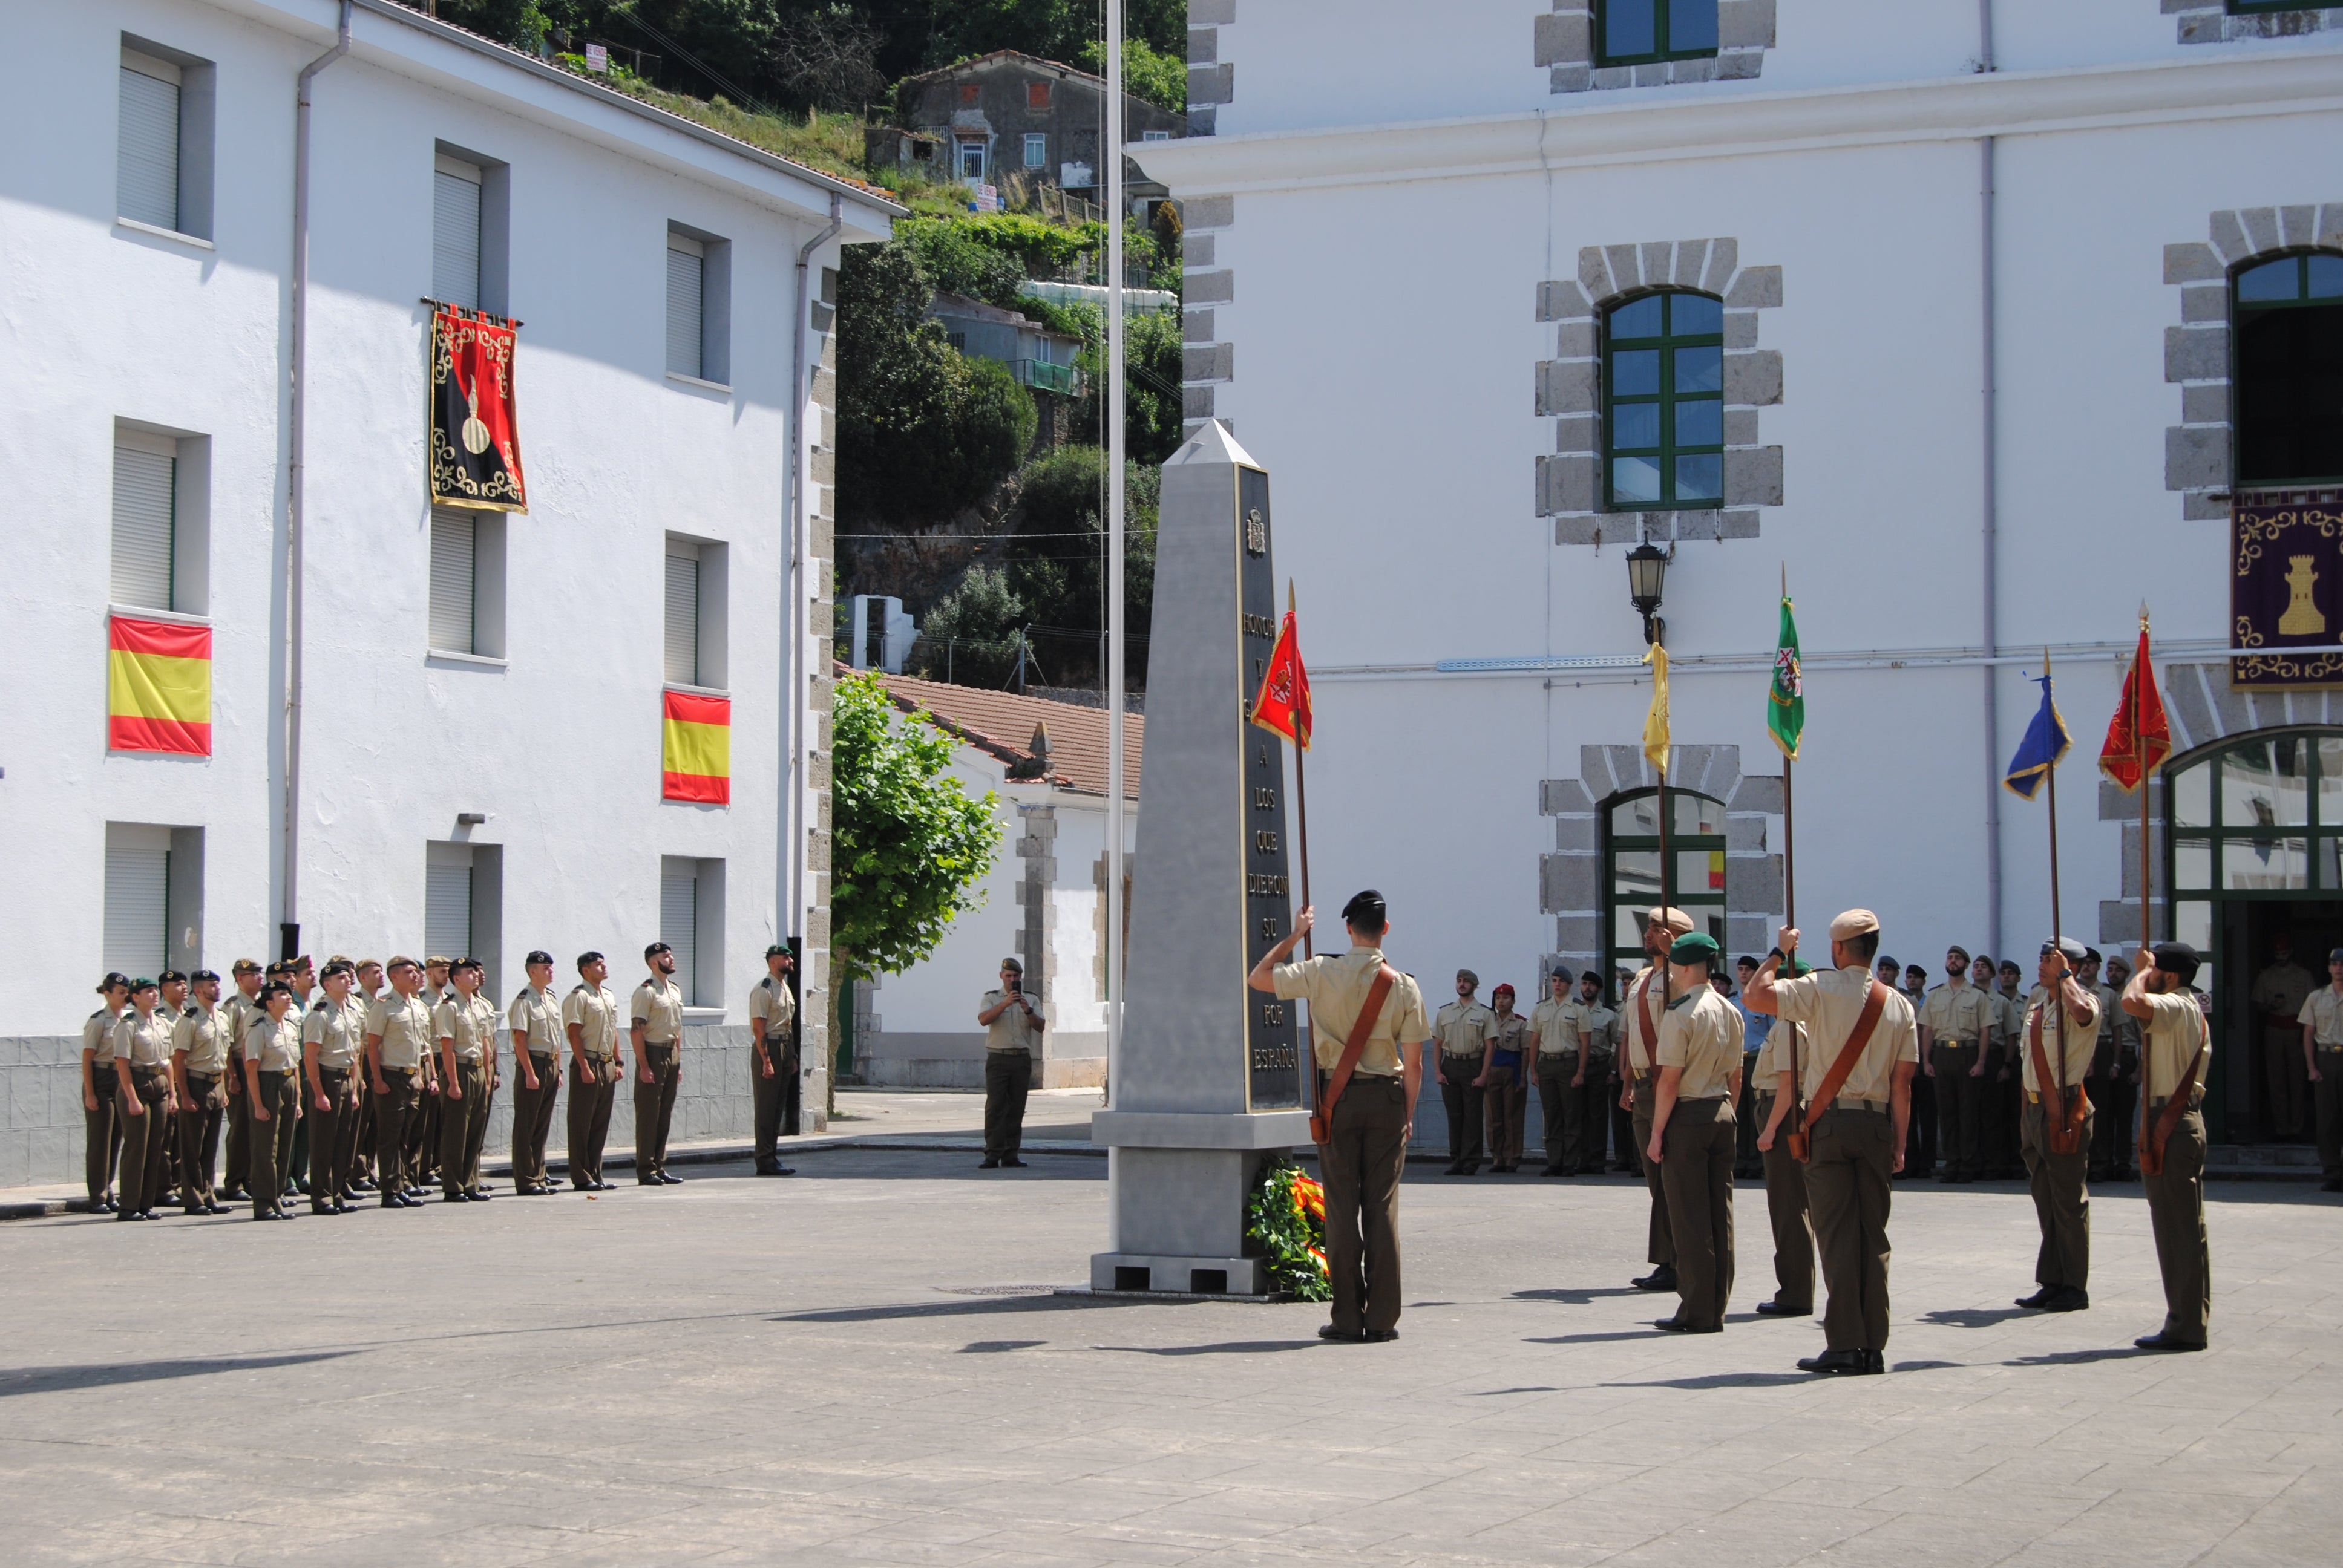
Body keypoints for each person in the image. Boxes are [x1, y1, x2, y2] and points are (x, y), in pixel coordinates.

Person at [1253, 890, 1429, 1344]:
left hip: (1338, 1099)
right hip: (1387, 1100)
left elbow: (1259, 978)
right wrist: (1407, 1114)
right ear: (1385, 929)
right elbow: (1414, 1065)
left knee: (1340, 1209)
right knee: (1382, 1208)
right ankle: (1384, 1318)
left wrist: (1296, 934)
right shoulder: (1404, 985)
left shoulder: (1321, 971)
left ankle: (1347, 1318)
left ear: (1349, 929)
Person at [1748, 909, 1919, 1376]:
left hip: (1829, 1125)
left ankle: (1845, 1343)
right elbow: (1903, 1084)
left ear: (1839, 949)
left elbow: (1754, 995)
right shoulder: (1899, 1004)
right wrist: (1901, 1144)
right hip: (1878, 1126)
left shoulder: (1820, 988)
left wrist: (1780, 953)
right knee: (1873, 1238)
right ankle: (1874, 1345)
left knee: (1838, 1237)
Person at [1645, 933, 1742, 1334]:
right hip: (1721, 1108)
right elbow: (1737, 1073)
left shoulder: (1681, 1013)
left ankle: (1696, 1310)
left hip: (1688, 1115)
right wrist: (1728, 1111)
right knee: (1721, 1215)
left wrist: (1656, 1133)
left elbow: (1669, 1081)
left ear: (1684, 969)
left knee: (1689, 1217)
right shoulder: (1729, 1010)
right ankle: (1717, 1304)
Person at [2122, 942, 2214, 1351]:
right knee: (2183, 1229)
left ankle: (2185, 1326)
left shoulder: (2178, 1006)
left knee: (2178, 1230)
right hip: (2172, 1121)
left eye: (2157, 968)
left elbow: (2131, 1002)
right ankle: (2187, 1320)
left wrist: (2140, 971)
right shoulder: (2183, 1006)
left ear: (2170, 976)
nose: (2151, 973)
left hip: (2172, 1123)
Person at [2016, 938, 2101, 1313]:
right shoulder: (2039, 1006)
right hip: (2035, 1110)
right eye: (2041, 957)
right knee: (2046, 1200)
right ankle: (2052, 1279)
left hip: (2063, 1108)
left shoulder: (2080, 1002)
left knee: (2068, 1201)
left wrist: (2066, 975)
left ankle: (2074, 1286)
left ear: (2071, 966)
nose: (2042, 965)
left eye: (2050, 960)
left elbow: (2083, 1012)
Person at [1622, 907, 1697, 1292]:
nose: (1648, 934)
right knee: (1656, 1181)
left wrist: (1674, 957)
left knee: (1672, 1179)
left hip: (1666, 1082)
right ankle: (1669, 1257)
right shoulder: (1641, 979)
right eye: (1649, 928)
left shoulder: (1677, 978)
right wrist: (1627, 1084)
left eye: (1657, 929)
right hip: (1642, 1084)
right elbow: (1633, 1033)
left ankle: (1678, 1260)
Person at [1751, 956, 1814, 1319]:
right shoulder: (1788, 1024)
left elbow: (1789, 1086)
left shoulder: (1792, 1027)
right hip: (1777, 1107)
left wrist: (1771, 1129)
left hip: (1782, 1112)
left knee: (1789, 1206)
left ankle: (1795, 1292)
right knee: (1788, 1205)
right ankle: (1794, 1288)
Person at [365, 957, 437, 1209]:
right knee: (389, 1137)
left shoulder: (418, 1007)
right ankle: (389, 1190)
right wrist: (378, 1079)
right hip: (391, 1076)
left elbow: (422, 1047)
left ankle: (402, 1184)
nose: (416, 975)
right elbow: (372, 1047)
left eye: (417, 972)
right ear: (394, 977)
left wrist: (421, 1076)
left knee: (406, 1136)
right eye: (409, 972)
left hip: (411, 1077)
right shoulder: (383, 1007)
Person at [1919, 946, 1994, 1183]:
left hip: (1967, 1053)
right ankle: (1951, 1164)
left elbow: (1985, 1031)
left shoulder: (1977, 996)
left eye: (1958, 958)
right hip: (1942, 1055)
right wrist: (1927, 1060)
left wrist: (1981, 1061)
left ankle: (1968, 1165)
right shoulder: (1935, 995)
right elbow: (1928, 1030)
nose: (1953, 961)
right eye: (1950, 957)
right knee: (1947, 1113)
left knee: (1968, 1113)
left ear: (1966, 964)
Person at [109, 978, 177, 1221]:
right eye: (149, 991)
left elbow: (168, 1061)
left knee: (156, 1146)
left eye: (155, 991)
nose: (155, 994)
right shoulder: (128, 1025)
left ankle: (145, 1204)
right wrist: (132, 1098)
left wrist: (173, 1094)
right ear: (135, 997)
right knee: (137, 1146)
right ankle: (128, 1206)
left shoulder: (161, 1023)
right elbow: (122, 1065)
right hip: (137, 1083)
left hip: (159, 1083)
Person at [430, 958, 499, 1202]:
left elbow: (486, 1043)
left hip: (479, 1070)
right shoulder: (449, 1007)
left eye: (476, 972)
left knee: (475, 1131)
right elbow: (446, 1047)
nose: (476, 975)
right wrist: (454, 1082)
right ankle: (453, 1185)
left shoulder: (479, 1005)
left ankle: (471, 1182)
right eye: (470, 973)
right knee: (456, 1131)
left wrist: (489, 1075)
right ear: (456, 979)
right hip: (459, 1069)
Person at [301, 959, 364, 1214]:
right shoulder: (320, 1015)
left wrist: (356, 1089)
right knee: (324, 1142)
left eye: (348, 977)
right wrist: (318, 1093)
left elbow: (355, 1052)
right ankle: (322, 1197)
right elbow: (310, 1056)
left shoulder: (350, 1011)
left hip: (347, 1079)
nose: (349, 980)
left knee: (343, 1142)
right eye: (341, 978)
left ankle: (337, 1192)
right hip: (327, 1078)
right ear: (327, 985)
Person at [240, 981, 304, 1220]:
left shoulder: (288, 1027)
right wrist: (257, 1104)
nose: (288, 997)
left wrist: (297, 1099)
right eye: (282, 994)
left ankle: (277, 1196)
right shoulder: (259, 1029)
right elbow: (251, 1068)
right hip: (268, 1085)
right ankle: (263, 1203)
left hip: (287, 1085)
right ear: (269, 1002)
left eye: (289, 993)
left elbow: (295, 1065)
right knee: (266, 1148)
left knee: (284, 1147)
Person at [170, 969, 231, 1215]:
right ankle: (193, 1198)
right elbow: (179, 1060)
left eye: (217, 984)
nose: (216, 988)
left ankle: (208, 1194)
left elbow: (223, 1056)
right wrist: (184, 1095)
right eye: (210, 985)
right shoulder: (190, 1020)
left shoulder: (223, 1018)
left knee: (210, 1146)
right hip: (196, 1083)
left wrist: (224, 1088)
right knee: (192, 1145)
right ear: (198, 991)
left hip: (216, 1084)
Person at [564, 952, 625, 1191]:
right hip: (588, 1061)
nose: (604, 966)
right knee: (582, 1123)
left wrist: (618, 1062)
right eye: (598, 964)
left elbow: (614, 1031)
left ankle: (596, 1173)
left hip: (606, 1063)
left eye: (604, 962)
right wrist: (583, 1066)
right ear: (585, 970)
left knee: (600, 1122)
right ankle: (581, 1176)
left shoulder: (607, 996)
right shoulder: (579, 997)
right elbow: (574, 1034)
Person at [977, 956, 1044, 1168]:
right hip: (998, 1057)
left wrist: (1027, 1010)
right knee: (995, 1107)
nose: (1012, 979)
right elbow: (983, 1020)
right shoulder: (992, 998)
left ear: (1020, 977)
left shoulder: (1031, 999)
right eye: (1008, 976)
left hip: (1021, 1058)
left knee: (1017, 1107)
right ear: (1001, 976)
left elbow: (1040, 1026)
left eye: (1015, 976)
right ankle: (992, 1154)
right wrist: (1005, 1004)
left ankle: (1011, 1154)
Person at [508, 951, 566, 1195]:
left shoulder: (550, 999)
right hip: (534, 1064)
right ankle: (526, 1179)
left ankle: (539, 1175)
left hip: (550, 1064)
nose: (551, 971)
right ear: (533, 972)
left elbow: (557, 1038)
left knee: (542, 1125)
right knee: (527, 1125)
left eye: (551, 967)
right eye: (546, 968)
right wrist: (530, 1073)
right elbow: (519, 1039)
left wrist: (559, 1068)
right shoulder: (524, 1001)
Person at [631, 943, 687, 1186]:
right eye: (666, 956)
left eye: (671, 954)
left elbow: (677, 1029)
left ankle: (659, 1165)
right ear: (654, 962)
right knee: (649, 1114)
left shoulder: (673, 990)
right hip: (652, 1053)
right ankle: (646, 1169)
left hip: (670, 1054)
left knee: (665, 1113)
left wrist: (678, 1060)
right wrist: (644, 1066)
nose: (671, 958)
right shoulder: (646, 992)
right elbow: (637, 1031)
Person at [2252, 933, 2315, 1141]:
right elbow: (2257, 1004)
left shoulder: (2303, 976)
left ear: (2291, 952)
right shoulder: (2266, 976)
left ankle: (2297, 1127)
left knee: (2297, 1079)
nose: (2281, 957)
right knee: (2276, 1079)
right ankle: (2281, 1127)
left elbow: (2314, 1007)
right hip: (2274, 1029)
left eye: (2284, 952)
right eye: (2278, 953)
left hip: (2297, 1030)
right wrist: (2271, 1006)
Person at [1432, 970, 1495, 1175]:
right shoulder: (1445, 1012)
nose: (1461, 985)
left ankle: (1471, 1161)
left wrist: (1484, 1075)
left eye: (1466, 982)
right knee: (1455, 1116)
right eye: (1459, 981)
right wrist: (1438, 1071)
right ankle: (1456, 1160)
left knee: (1473, 1116)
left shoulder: (1484, 1013)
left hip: (1473, 1064)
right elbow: (1438, 1044)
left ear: (1474, 986)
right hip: (1451, 1064)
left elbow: (1490, 1046)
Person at [80, 973, 131, 1212]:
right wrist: (90, 1093)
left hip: (120, 1078)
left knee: (116, 1138)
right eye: (120, 992)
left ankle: (109, 1189)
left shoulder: (130, 1020)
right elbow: (87, 1059)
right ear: (108, 994)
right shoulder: (99, 1021)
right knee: (100, 1140)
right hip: (100, 1079)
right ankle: (97, 1196)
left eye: (127, 992)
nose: (125, 996)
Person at [749, 945, 800, 1175]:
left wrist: (793, 1056)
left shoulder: (784, 988)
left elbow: (787, 1025)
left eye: (790, 956)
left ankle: (772, 1156)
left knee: (778, 1106)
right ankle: (764, 1159)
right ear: (773, 961)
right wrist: (767, 1061)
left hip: (784, 1047)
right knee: (767, 1109)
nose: (790, 960)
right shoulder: (764, 989)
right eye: (785, 957)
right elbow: (759, 1028)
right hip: (768, 1047)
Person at [218, 958, 264, 1204]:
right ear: (239, 978)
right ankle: (234, 1181)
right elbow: (226, 1043)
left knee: (255, 1126)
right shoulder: (234, 1006)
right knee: (240, 1127)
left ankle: (249, 1177)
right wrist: (233, 1076)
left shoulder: (260, 1005)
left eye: (260, 973)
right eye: (252, 974)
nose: (259, 977)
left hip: (257, 1064)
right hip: (238, 1063)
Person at [1531, 969, 1585, 1176]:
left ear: (1569, 984)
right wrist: (1533, 1070)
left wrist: (1580, 1071)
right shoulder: (1541, 1008)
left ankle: (1569, 1162)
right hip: (1547, 1064)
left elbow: (1584, 1042)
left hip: (1568, 1063)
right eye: (1554, 981)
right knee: (1551, 1115)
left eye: (1561, 981)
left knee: (1571, 1115)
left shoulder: (1578, 1008)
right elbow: (1534, 1040)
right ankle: (1554, 1161)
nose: (1557, 985)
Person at [2302, 947, 2343, 1193]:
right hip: (2326, 1058)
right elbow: (2308, 1034)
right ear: (2328, 968)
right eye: (2335, 963)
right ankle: (2333, 1173)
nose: (2339, 968)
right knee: (2328, 1121)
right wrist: (2311, 1067)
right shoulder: (2316, 998)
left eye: (2342, 963)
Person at [2097, 956, 2140, 1183]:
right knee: (2103, 1114)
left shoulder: (2133, 1001)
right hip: (2104, 1057)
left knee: (2124, 1116)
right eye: (2109, 969)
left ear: (2126, 974)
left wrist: (2139, 1071)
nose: (2112, 974)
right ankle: (2103, 1163)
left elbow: (2146, 1039)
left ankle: (2123, 1164)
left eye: (2118, 971)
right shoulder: (2102, 997)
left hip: (2127, 1058)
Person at [1482, 983, 1530, 1173]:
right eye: (1498, 998)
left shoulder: (1520, 1023)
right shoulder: (1488, 1020)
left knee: (1513, 1116)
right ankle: (1497, 1157)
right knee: (1494, 1116)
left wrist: (1523, 1076)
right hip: (1492, 1067)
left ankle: (1513, 1157)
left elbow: (1525, 1052)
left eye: (1505, 998)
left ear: (1513, 1001)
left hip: (1512, 1068)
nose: (1501, 1002)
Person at [1575, 971, 1619, 1176]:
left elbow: (1618, 1045)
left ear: (1599, 989)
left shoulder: (1609, 1015)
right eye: (1584, 984)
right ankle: (1581, 1159)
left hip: (1600, 1066)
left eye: (1591, 985)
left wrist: (1613, 1070)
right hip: (1576, 1066)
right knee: (1578, 1114)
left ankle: (1597, 1160)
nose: (1587, 988)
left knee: (1598, 1116)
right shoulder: (1574, 1011)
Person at [1732, 956, 1771, 1179]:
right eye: (1740, 969)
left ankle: (1756, 1161)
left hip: (1757, 1059)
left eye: (1748, 970)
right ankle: (1740, 1159)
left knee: (1756, 1110)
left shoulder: (1763, 1002)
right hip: (1738, 1060)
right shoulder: (1733, 1001)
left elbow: (1772, 1032)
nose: (1744, 973)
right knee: (1739, 1111)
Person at [1901, 964, 1936, 1178]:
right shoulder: (1901, 999)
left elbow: (1926, 1030)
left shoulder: (1929, 1001)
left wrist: (1926, 1061)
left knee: (1929, 1117)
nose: (1912, 981)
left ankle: (1928, 1163)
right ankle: (1911, 1160)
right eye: (1909, 978)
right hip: (1907, 1066)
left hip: (1927, 1064)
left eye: (1916, 978)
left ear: (1924, 981)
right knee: (1909, 1115)